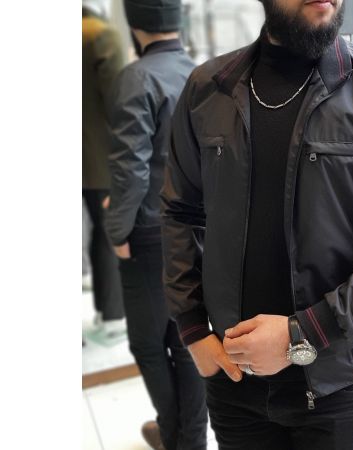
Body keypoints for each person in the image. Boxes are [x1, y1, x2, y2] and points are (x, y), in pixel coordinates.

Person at [160, 0, 353, 449]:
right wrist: (191, 327)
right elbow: (180, 211)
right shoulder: (209, 89)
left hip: (337, 384)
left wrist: (303, 333)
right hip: (234, 378)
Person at [104, 1, 207, 449]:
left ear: (134, 23)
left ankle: (174, 435)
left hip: (149, 230)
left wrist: (116, 229)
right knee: (187, 339)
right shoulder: (204, 73)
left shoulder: (137, 78)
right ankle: (190, 439)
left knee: (147, 345)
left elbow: (130, 170)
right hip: (199, 229)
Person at [82, 0, 126, 341]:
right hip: (99, 158)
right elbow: (120, 103)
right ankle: (112, 316)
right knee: (109, 232)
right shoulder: (100, 35)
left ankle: (104, 312)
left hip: (85, 157)